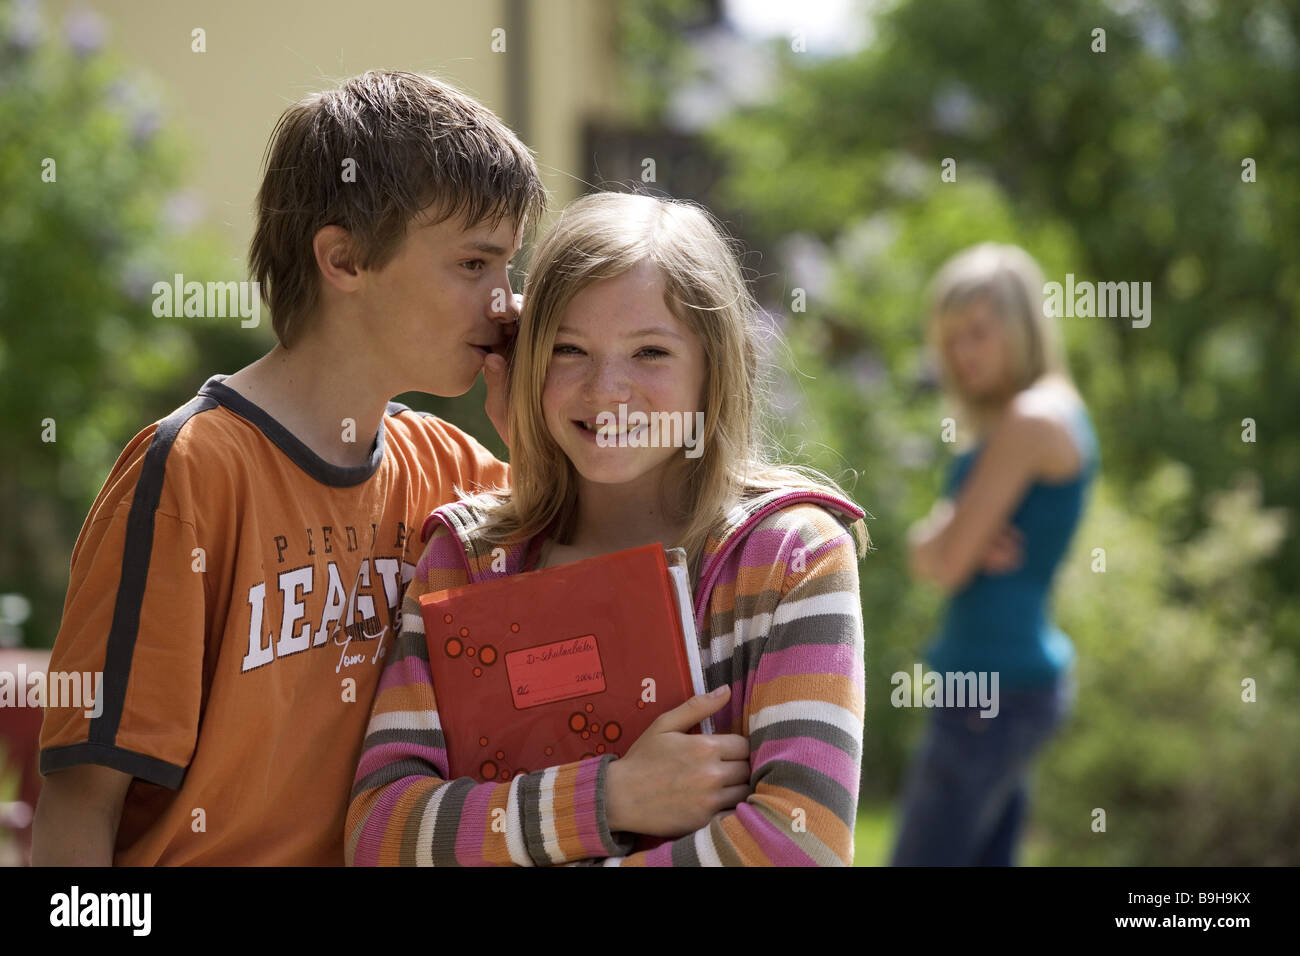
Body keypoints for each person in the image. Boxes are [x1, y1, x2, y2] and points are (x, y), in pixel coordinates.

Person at [33, 71, 546, 865]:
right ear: (343, 259)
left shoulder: (460, 473)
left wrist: (530, 435)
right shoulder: (191, 473)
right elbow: (78, 810)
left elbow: (599, 599)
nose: (506, 304)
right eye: (475, 265)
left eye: (508, 268)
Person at [346, 191, 869, 866]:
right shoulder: (470, 557)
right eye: (569, 350)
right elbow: (381, 833)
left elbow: (801, 843)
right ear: (526, 362)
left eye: (650, 352)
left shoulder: (791, 557)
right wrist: (609, 797)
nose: (606, 390)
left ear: (716, 366)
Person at [891, 243, 1098, 866]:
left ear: (1022, 326)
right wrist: (947, 537)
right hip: (1006, 684)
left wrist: (946, 538)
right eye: (951, 338)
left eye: (979, 332)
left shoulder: (1030, 420)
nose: (962, 353)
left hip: (991, 688)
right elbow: (932, 550)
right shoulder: (1045, 412)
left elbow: (943, 563)